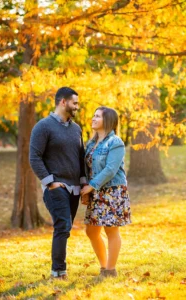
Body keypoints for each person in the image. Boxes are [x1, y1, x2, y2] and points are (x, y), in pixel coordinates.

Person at [29, 87, 86, 279]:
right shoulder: (43, 126)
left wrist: (83, 183)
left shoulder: (76, 128)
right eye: (74, 103)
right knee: (62, 226)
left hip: (74, 188)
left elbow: (81, 157)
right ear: (63, 102)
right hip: (56, 186)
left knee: (65, 227)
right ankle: (58, 271)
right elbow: (34, 157)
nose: (77, 107)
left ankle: (59, 269)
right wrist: (50, 183)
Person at [81, 106, 131, 277]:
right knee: (91, 231)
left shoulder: (115, 142)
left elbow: (110, 169)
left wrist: (91, 185)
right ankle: (104, 266)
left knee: (111, 230)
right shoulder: (90, 144)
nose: (93, 118)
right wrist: (88, 190)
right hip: (96, 190)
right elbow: (87, 169)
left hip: (112, 191)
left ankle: (110, 270)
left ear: (107, 120)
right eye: (93, 115)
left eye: (98, 116)